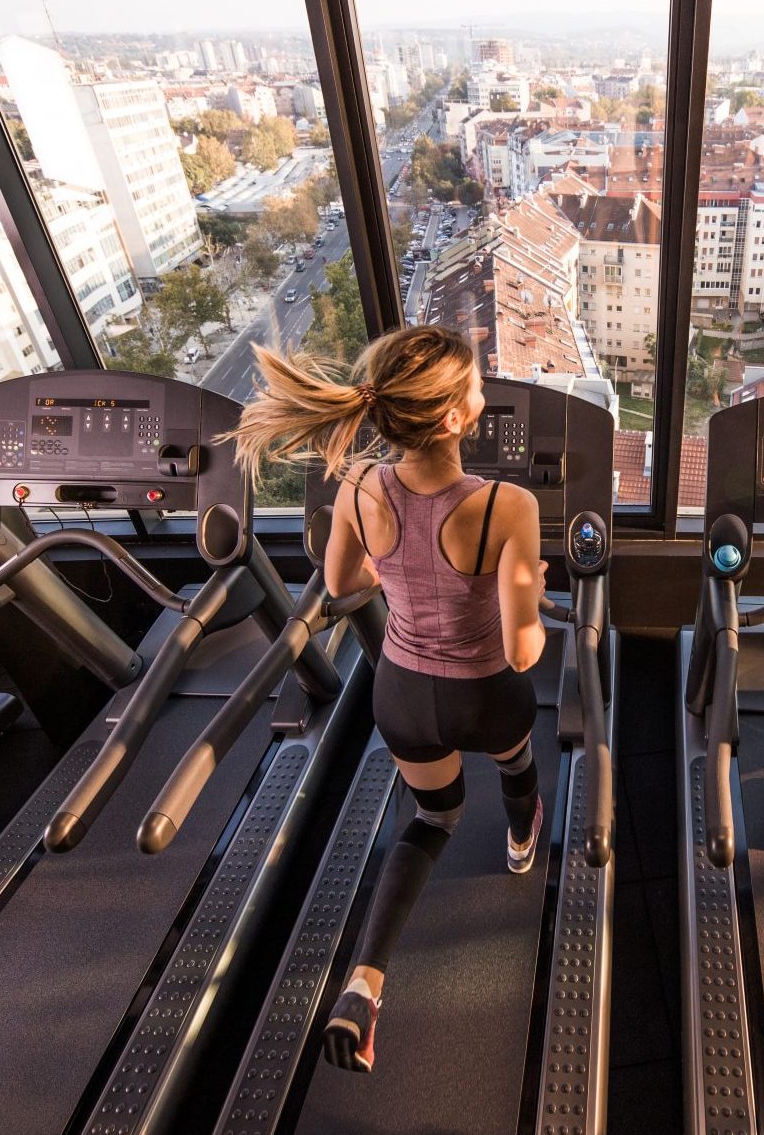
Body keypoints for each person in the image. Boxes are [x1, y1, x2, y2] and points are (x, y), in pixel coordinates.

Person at [231, 324, 548, 1074]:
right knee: (517, 762)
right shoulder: (508, 505)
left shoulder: (358, 486)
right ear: (452, 419)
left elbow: (342, 585)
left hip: (403, 694)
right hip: (484, 696)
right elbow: (520, 648)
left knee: (432, 819)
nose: (482, 394)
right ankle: (520, 840)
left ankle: (366, 982)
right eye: (474, 387)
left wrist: (395, 576)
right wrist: (536, 601)